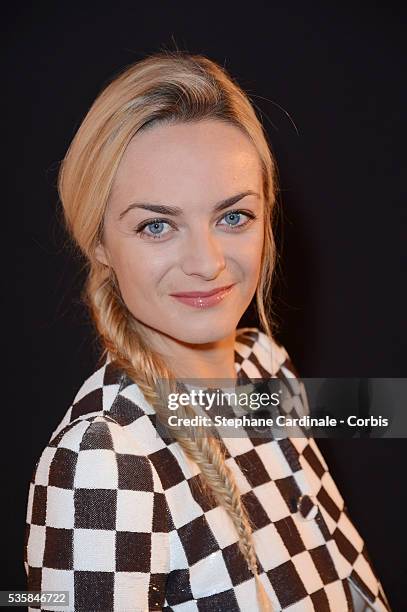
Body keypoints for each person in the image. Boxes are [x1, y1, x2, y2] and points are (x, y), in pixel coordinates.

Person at [24, 50, 391, 612]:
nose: (207, 261)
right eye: (157, 226)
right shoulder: (104, 459)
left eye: (232, 217)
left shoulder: (265, 364)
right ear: (98, 243)